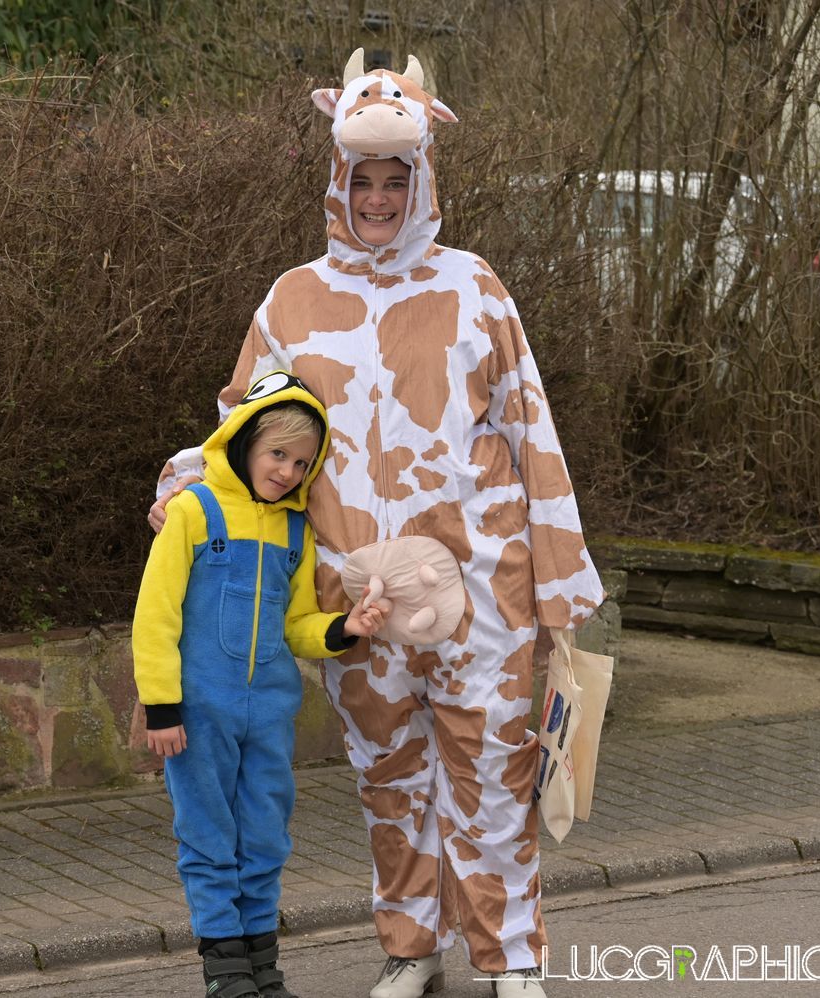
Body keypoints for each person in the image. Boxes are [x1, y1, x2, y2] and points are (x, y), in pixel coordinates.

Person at [149, 51, 604, 998]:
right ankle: (411, 948)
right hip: (355, 593)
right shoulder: (293, 300)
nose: (380, 199)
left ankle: (512, 956)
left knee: (492, 773)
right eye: (364, 180)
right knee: (390, 779)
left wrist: (560, 583)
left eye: (397, 180)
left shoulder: (476, 288)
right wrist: (187, 481)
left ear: (423, 180)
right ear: (338, 183)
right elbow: (245, 426)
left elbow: (532, 428)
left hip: (483, 587)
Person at [133, 372, 391, 998]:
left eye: (301, 462)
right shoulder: (193, 511)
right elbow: (155, 614)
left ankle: (262, 967)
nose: (287, 471)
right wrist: (162, 707)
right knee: (208, 835)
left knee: (266, 836)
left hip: (269, 715)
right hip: (198, 714)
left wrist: (346, 627)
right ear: (245, 441)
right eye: (277, 453)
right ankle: (225, 971)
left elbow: (296, 625)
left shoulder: (296, 530)